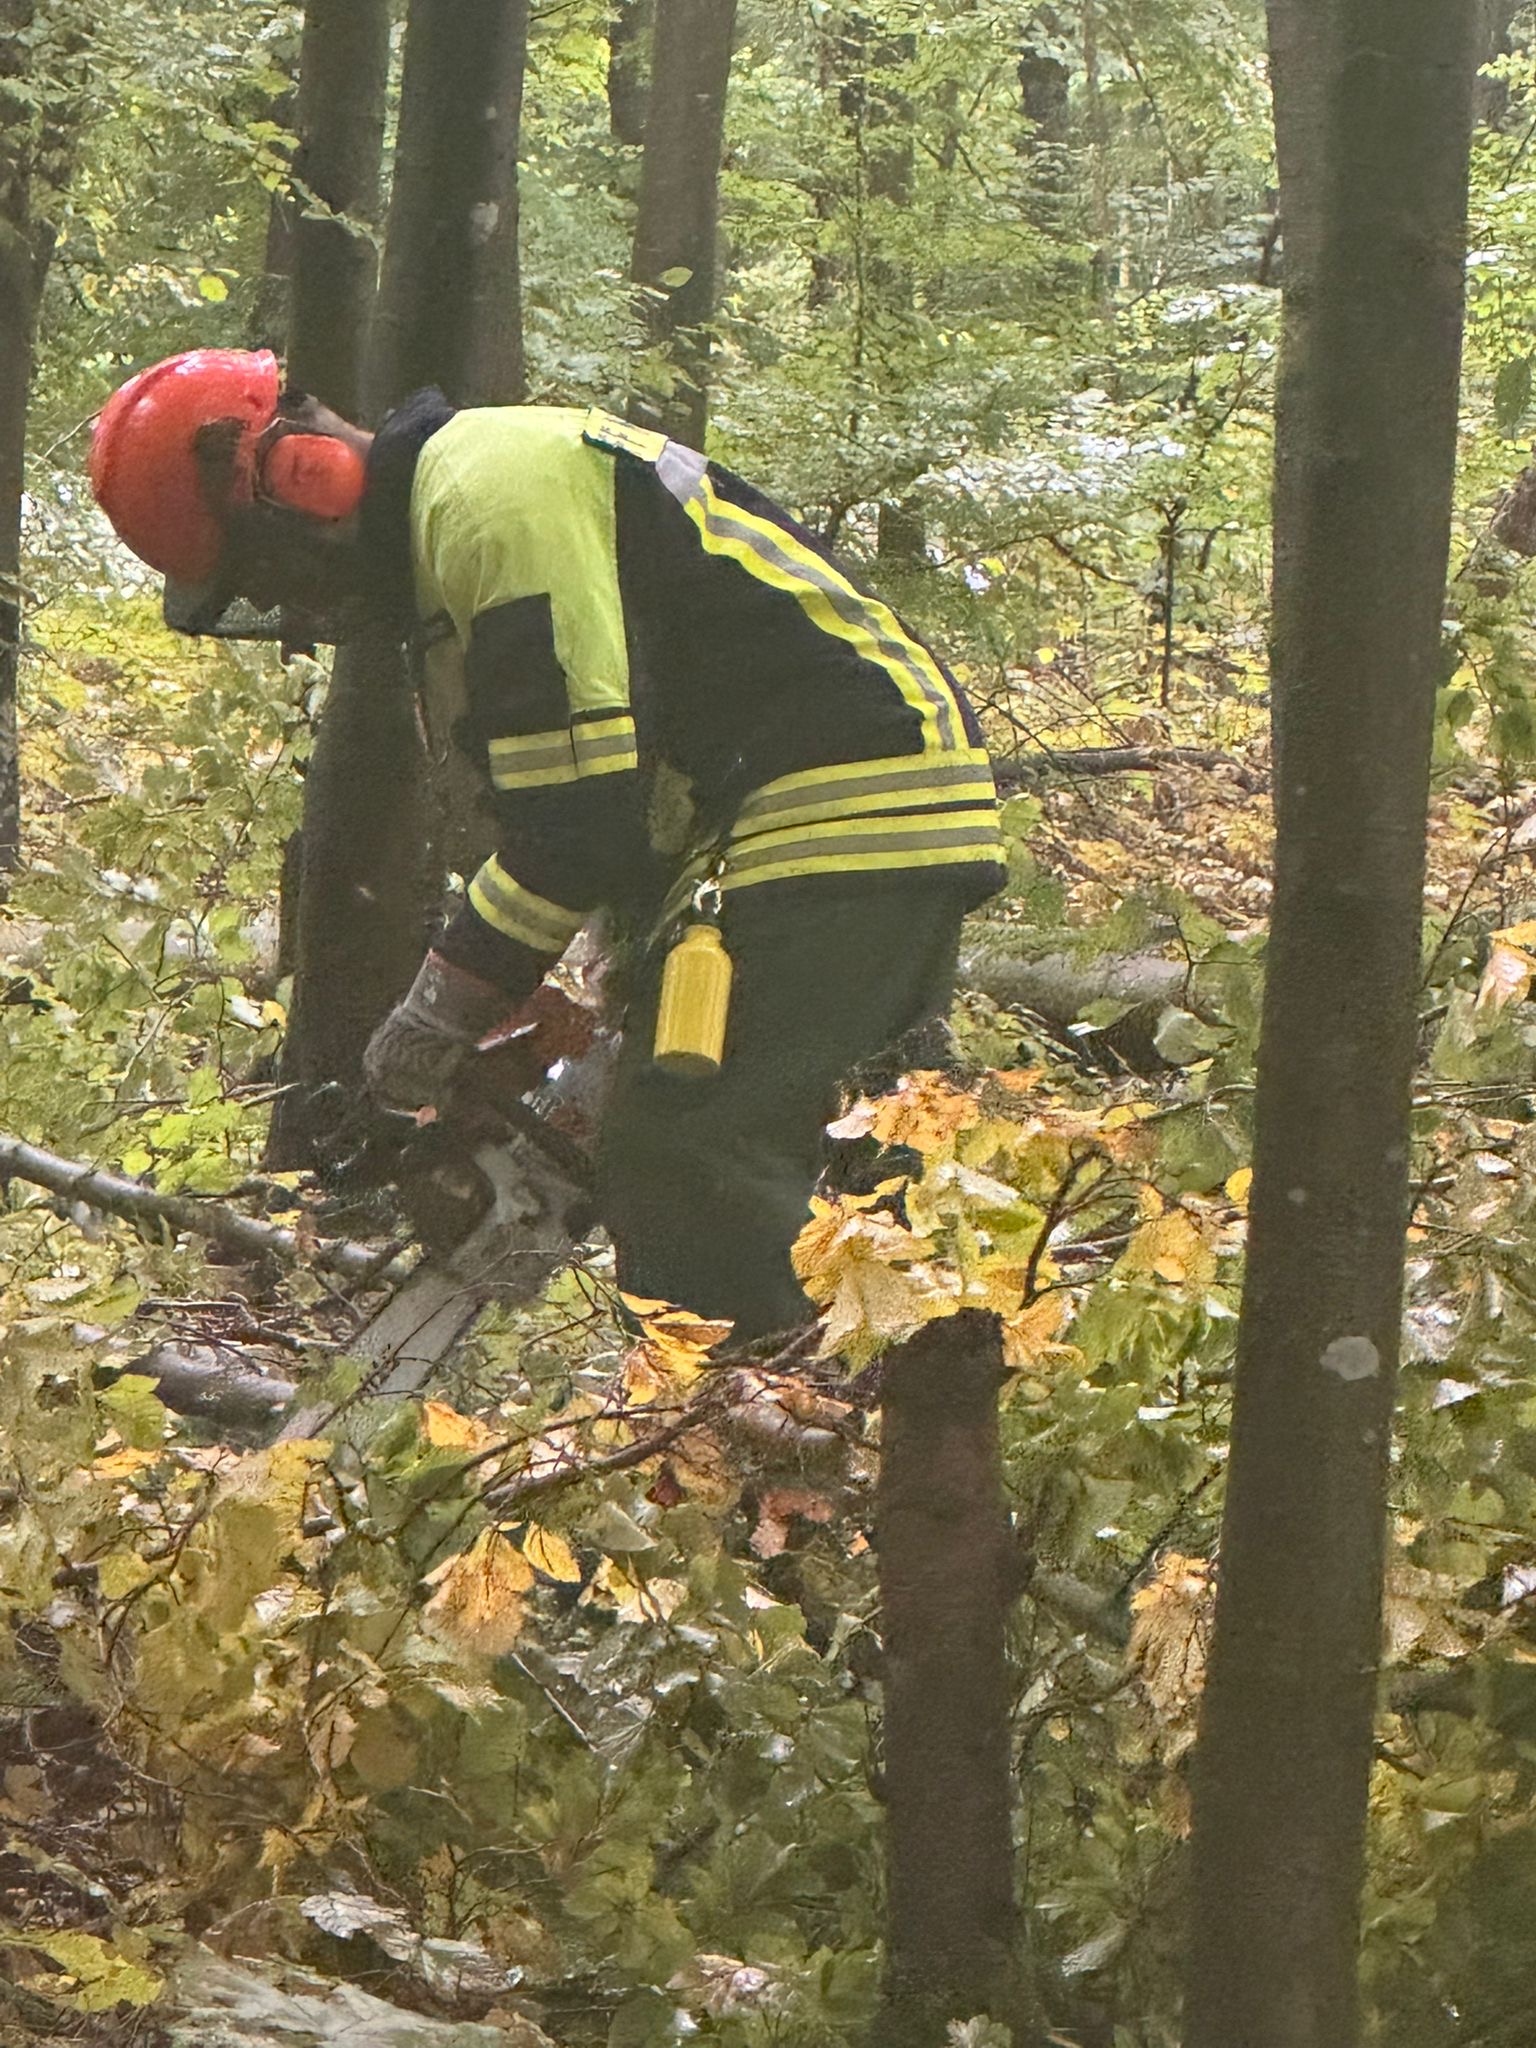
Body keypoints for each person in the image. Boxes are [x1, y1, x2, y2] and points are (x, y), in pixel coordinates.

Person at [89, 348, 1004, 1339]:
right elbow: (625, 789)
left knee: (689, 1154)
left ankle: (767, 1455)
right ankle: (907, 1427)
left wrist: (438, 1011)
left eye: (273, 571)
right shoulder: (462, 522)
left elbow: (577, 822)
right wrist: (606, 1026)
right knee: (861, 1147)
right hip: (816, 794)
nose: (300, 606)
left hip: (836, 786)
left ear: (303, 474)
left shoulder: (487, 502)